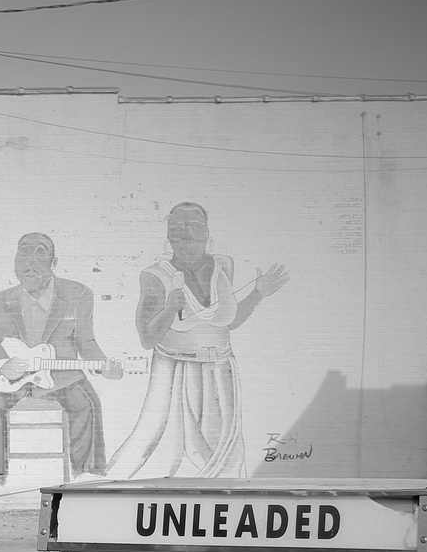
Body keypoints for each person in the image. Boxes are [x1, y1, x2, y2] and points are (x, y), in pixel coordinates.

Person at [103, 203, 289, 479]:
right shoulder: (155, 275)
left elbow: (229, 320)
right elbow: (146, 338)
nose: (186, 236)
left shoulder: (224, 264)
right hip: (176, 372)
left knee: (222, 452)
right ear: (169, 237)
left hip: (221, 370)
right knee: (156, 445)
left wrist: (258, 293)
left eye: (194, 227)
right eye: (177, 229)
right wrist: (168, 309)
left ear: (207, 233)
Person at [0, 232, 119, 480]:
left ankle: (86, 475)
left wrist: (103, 366)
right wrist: (2, 364)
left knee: (88, 404)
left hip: (62, 378)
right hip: (13, 380)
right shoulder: (0, 300)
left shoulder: (78, 295)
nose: (30, 262)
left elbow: (86, 342)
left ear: (54, 263)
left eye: (40, 252)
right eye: (23, 252)